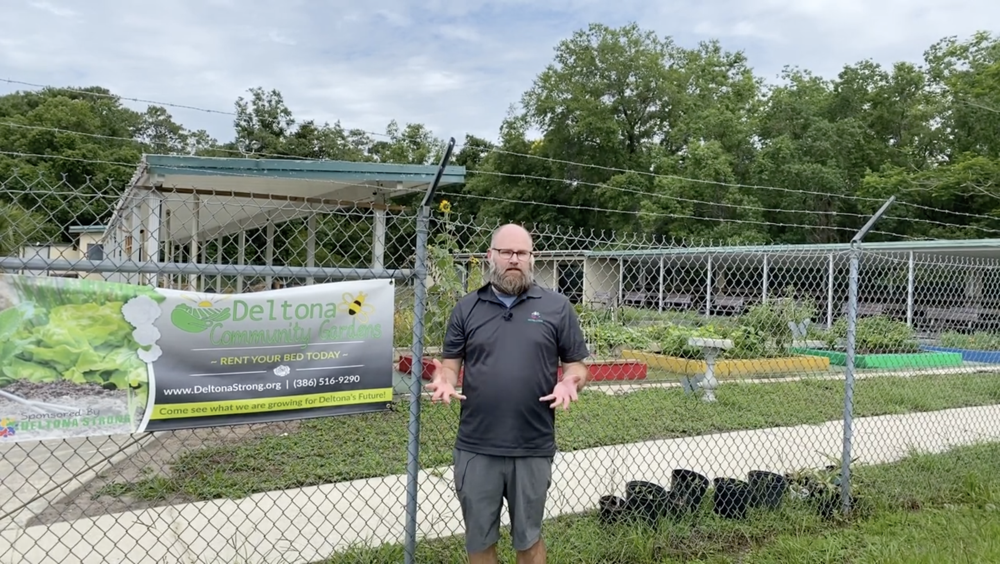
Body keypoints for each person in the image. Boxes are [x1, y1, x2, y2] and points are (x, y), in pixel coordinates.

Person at [426, 223, 591, 564]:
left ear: (533, 258)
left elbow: (577, 366)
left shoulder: (556, 307)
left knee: (528, 541)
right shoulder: (467, 308)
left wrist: (569, 382)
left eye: (522, 253)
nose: (514, 259)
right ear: (491, 256)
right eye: (506, 252)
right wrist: (444, 378)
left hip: (532, 445)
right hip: (476, 447)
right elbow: (450, 364)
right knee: (479, 543)